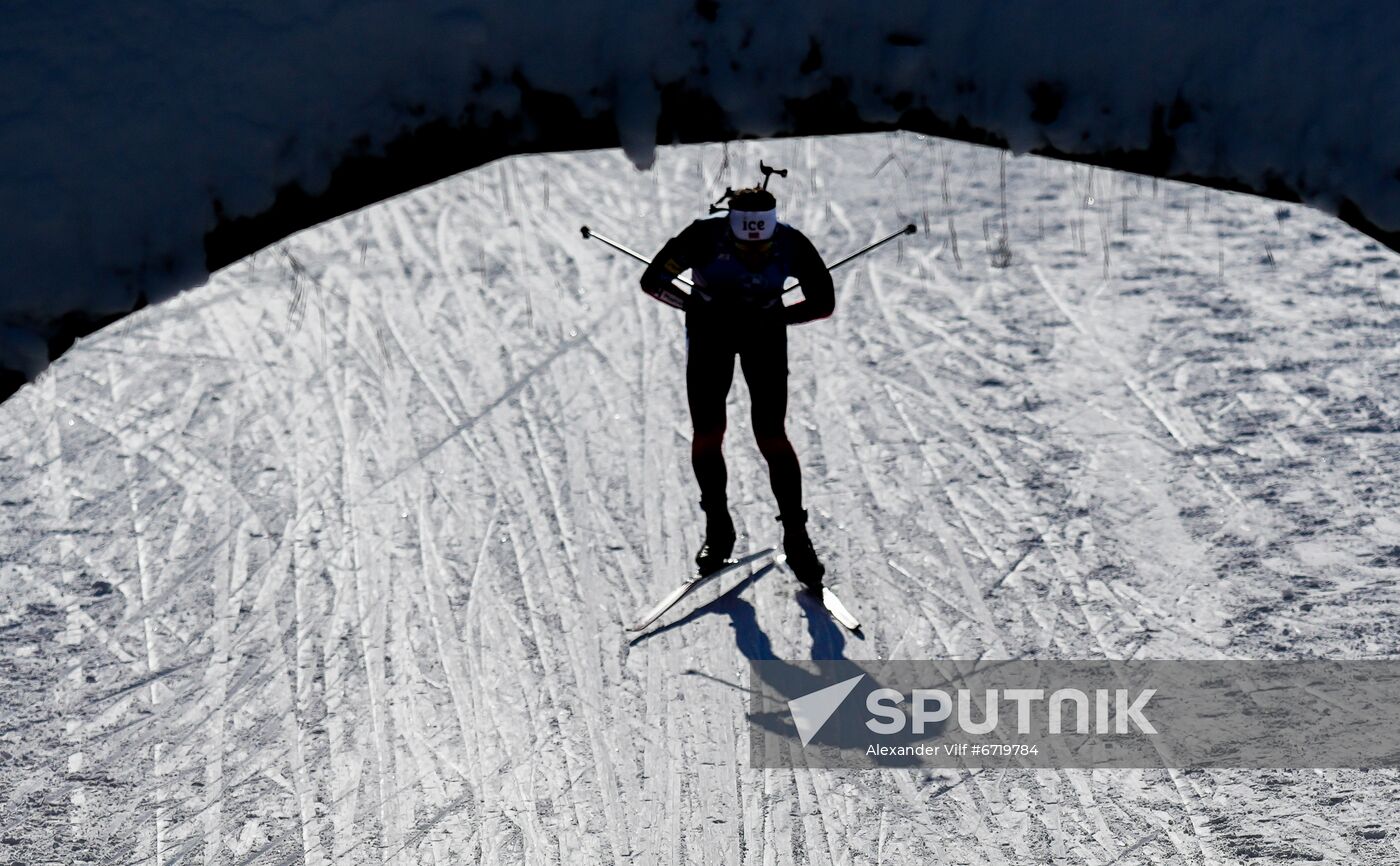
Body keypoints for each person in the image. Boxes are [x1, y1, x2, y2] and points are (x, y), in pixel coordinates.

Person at [639, 183, 834, 589]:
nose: (754, 250)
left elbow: (822, 302)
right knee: (709, 432)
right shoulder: (703, 235)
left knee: (770, 433)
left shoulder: (791, 241)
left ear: (772, 226)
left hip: (764, 338)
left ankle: (796, 535)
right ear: (731, 224)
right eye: (745, 243)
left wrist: (775, 318)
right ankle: (718, 527)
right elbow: (654, 279)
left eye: (762, 244)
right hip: (710, 338)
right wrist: (696, 305)